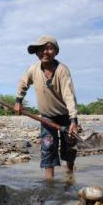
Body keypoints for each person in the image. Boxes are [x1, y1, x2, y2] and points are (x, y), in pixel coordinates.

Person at [14, 35, 78, 181]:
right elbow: (23, 83)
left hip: (66, 116)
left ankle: (69, 175)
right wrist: (18, 100)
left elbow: (69, 95)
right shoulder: (33, 69)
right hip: (47, 116)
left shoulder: (62, 70)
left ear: (55, 51)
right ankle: (50, 183)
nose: (45, 52)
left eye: (49, 48)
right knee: (48, 147)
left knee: (69, 147)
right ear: (37, 53)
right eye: (41, 49)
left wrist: (73, 120)